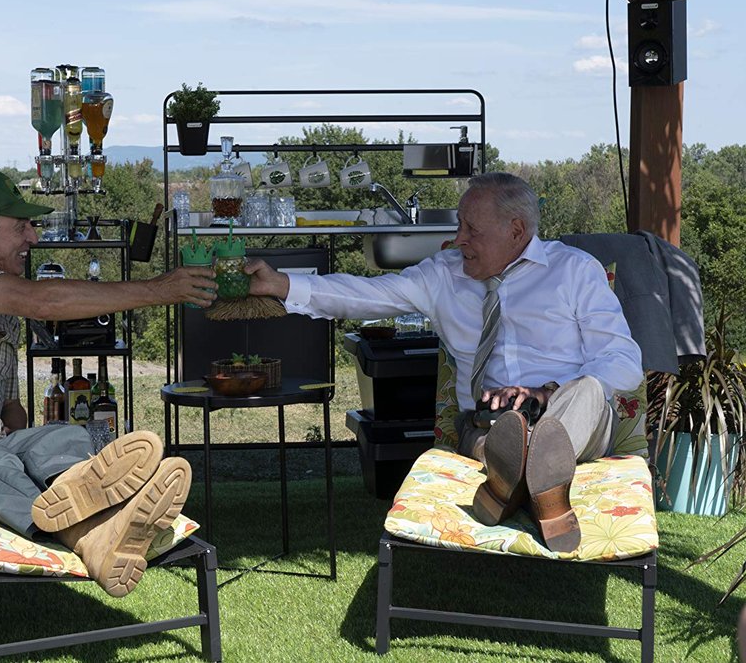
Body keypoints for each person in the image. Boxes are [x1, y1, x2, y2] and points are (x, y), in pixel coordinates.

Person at [0, 166, 217, 597]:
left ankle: (110, 509)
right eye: (21, 226)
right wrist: (161, 289)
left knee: (62, 439)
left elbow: (9, 405)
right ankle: (94, 534)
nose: (33, 238)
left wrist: (29, 443)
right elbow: (44, 301)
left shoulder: (0, 298)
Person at [246, 172, 643, 552]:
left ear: (517, 231)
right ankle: (545, 493)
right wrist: (283, 284)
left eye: (472, 230)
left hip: (570, 417)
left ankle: (514, 483)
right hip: (492, 424)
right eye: (459, 226)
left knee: (588, 391)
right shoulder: (442, 276)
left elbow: (623, 362)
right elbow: (367, 294)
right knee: (499, 437)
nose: (459, 240)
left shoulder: (574, 271)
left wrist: (547, 393)